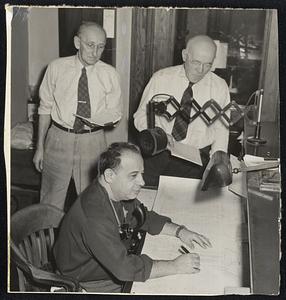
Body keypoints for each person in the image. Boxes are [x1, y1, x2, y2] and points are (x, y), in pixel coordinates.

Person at [53, 142, 212, 293]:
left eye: (141, 174)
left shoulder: (115, 193)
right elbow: (124, 269)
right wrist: (174, 266)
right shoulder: (94, 217)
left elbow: (144, 217)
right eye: (133, 175)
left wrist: (180, 231)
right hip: (85, 279)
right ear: (110, 175)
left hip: (107, 264)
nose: (142, 181)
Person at [33, 22, 122, 210]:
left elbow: (115, 112)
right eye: (90, 45)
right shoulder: (56, 68)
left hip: (93, 140)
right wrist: (39, 147)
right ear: (77, 42)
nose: (95, 52)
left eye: (101, 46)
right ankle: (48, 239)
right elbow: (44, 108)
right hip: (58, 139)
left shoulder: (110, 74)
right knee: (50, 202)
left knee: (92, 202)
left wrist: (106, 118)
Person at [134, 35, 230, 186]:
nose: (201, 70)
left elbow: (222, 129)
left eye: (208, 64)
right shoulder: (161, 78)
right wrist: (157, 134)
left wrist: (217, 163)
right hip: (158, 154)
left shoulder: (220, 87)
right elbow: (140, 116)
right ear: (185, 55)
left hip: (196, 162)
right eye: (196, 62)